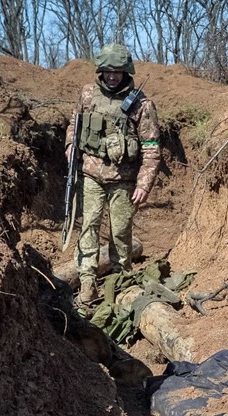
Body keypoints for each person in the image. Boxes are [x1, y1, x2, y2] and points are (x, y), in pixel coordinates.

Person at [64, 43, 161, 313]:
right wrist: (70, 145)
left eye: (117, 71)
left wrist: (144, 184)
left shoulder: (142, 104)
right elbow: (75, 123)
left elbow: (152, 149)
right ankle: (87, 285)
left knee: (120, 232)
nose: (111, 76)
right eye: (107, 71)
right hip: (91, 174)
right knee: (89, 228)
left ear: (126, 71)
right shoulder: (87, 94)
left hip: (124, 179)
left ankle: (121, 282)